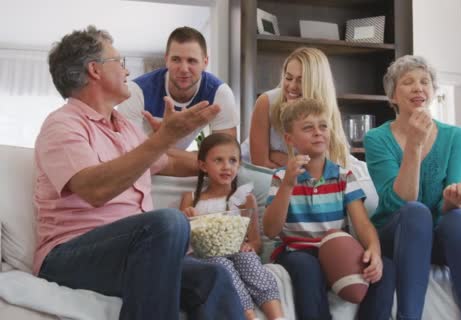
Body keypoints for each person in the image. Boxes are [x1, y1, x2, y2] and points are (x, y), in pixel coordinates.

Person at [34, 25, 245, 320]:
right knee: (168, 223)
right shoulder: (63, 125)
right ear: (94, 70)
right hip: (70, 255)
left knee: (214, 277)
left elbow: (167, 162)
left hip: (135, 252)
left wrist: (226, 165)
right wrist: (164, 137)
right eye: (119, 62)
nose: (127, 71)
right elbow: (95, 189)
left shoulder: (124, 128)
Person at [364, 55, 461, 320]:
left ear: (432, 92)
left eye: (425, 82)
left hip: (439, 237)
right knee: (416, 212)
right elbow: (400, 202)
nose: (418, 87)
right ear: (393, 97)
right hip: (397, 236)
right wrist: (414, 145)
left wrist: (456, 199)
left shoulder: (455, 136)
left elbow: (452, 209)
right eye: (408, 82)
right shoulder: (376, 139)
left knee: (458, 220)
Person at [263, 98, 396, 320]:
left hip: (336, 250)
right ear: (290, 139)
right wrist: (288, 184)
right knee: (307, 267)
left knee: (387, 268)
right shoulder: (281, 177)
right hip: (297, 252)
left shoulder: (344, 176)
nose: (318, 132)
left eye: (323, 126)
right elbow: (270, 229)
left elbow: (362, 224)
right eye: (308, 128)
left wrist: (374, 250)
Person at [179, 133, 285, 320]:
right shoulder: (191, 199)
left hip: (236, 251)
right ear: (203, 165)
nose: (226, 166)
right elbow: (181, 242)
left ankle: (277, 316)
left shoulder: (245, 199)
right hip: (204, 257)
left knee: (248, 260)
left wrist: (249, 247)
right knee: (223, 266)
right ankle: (248, 315)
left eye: (232, 160)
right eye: (218, 160)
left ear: (239, 165)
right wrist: (187, 219)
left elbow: (255, 242)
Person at [117, 26, 238, 149]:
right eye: (176, 60)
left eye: (192, 61)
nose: (184, 69)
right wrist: (165, 136)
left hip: (160, 156)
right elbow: (128, 156)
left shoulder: (219, 93)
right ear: (166, 60)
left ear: (205, 62)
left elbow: (226, 157)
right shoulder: (136, 91)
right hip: (145, 164)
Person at [242, 47, 350, 169]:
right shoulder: (267, 102)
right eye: (288, 78)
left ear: (315, 84)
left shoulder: (324, 111)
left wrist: (277, 157)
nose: (292, 86)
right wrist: (302, 165)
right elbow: (260, 165)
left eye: (301, 80)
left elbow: (322, 168)